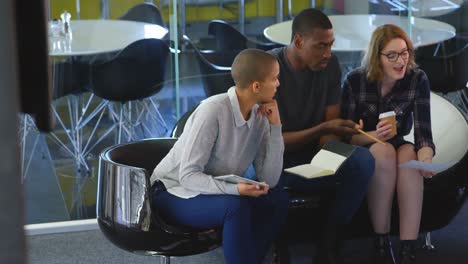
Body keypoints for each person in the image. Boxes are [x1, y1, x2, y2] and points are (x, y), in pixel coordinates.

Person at [150, 49, 289, 264]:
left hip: (210, 190)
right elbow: (188, 176)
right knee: (235, 207)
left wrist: (276, 127)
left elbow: (269, 179)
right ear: (256, 86)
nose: (279, 84)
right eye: (275, 78)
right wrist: (236, 189)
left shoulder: (261, 116)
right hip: (172, 190)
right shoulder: (213, 110)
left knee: (276, 200)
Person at [268, 8, 375, 264]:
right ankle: (279, 247)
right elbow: (274, 143)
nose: (327, 53)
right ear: (298, 42)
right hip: (275, 159)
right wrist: (323, 130)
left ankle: (330, 238)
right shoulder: (270, 69)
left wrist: (333, 145)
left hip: (313, 152)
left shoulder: (330, 65)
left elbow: (330, 129)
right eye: (321, 46)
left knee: (362, 161)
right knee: (265, 177)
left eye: (331, 45)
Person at [341, 24, 435, 264]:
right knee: (383, 152)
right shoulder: (355, 81)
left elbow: (424, 134)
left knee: (409, 159)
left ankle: (408, 248)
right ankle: (381, 242)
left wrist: (426, 158)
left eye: (404, 53)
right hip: (365, 146)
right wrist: (374, 134)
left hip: (398, 142)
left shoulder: (417, 78)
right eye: (391, 55)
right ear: (377, 57)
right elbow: (345, 135)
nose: (400, 61)